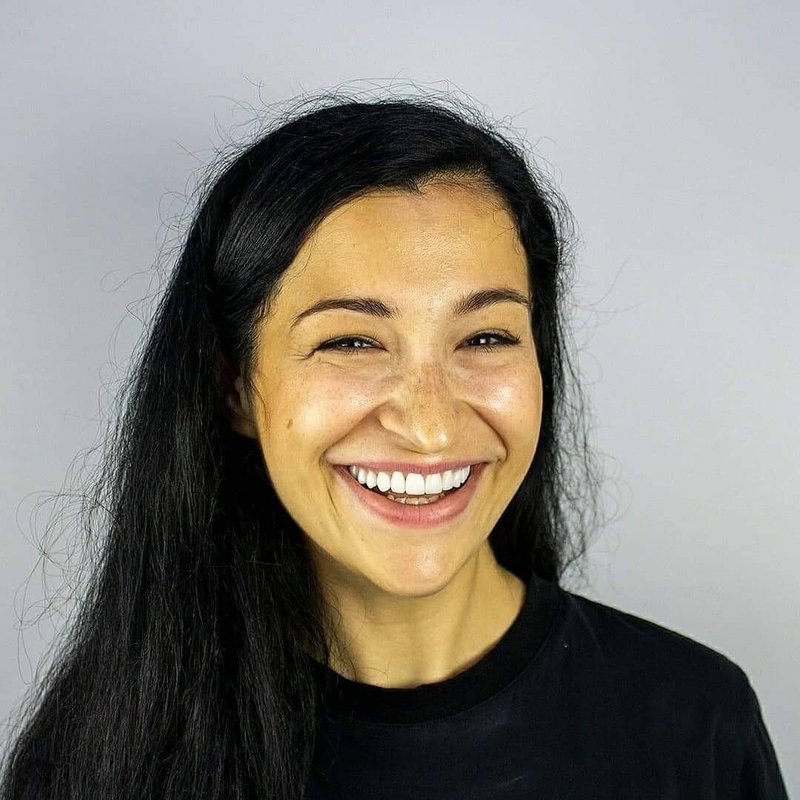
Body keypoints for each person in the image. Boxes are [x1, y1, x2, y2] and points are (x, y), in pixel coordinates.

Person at [0, 94, 788, 800]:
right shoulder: (102, 758)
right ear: (234, 388)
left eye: (485, 337)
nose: (431, 426)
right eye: (351, 342)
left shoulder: (694, 722)